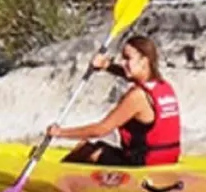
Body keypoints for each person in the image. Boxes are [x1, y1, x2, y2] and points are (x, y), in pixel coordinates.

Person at [46, 35, 182, 167]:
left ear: (144, 61)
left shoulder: (137, 97)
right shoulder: (163, 86)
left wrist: (60, 133)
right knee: (98, 149)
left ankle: (57, 178)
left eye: (128, 58)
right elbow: (131, 75)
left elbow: (101, 129)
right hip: (167, 160)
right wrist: (106, 65)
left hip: (142, 164)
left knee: (85, 149)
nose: (122, 63)